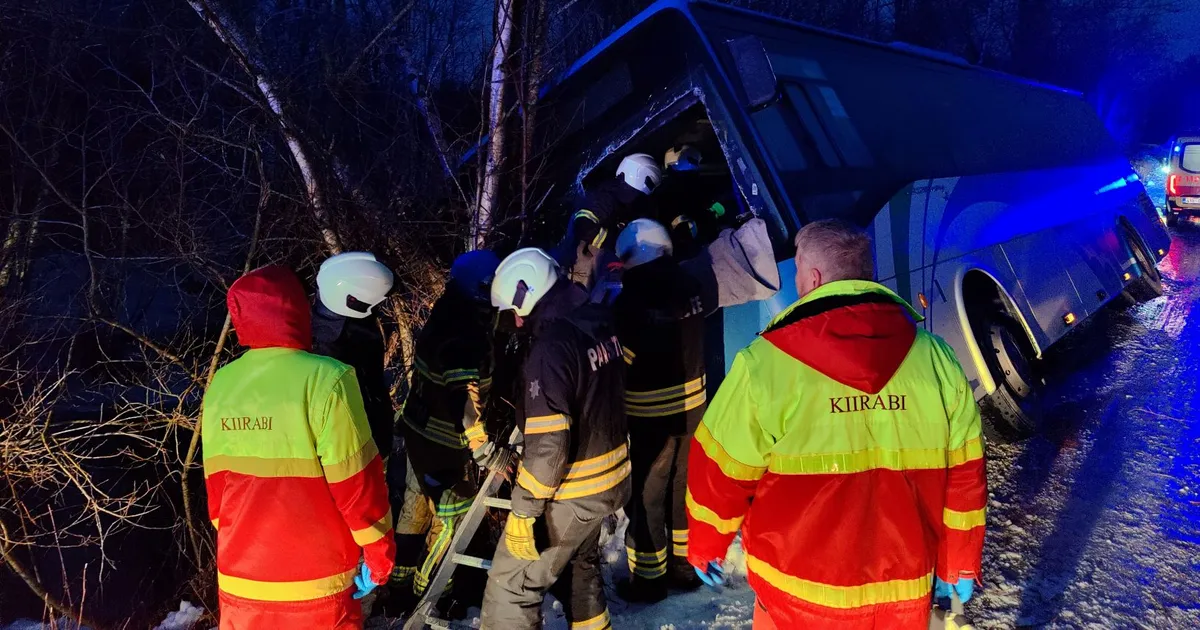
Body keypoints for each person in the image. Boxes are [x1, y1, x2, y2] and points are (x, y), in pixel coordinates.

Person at [686, 219, 987, 629]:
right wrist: (960, 561)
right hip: (903, 596)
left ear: (813, 278)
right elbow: (965, 476)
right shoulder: (937, 359)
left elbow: (719, 468)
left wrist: (707, 543)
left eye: (797, 271)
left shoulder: (765, 364)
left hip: (795, 598)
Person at [202, 265, 394, 630]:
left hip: (240, 584)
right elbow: (357, 484)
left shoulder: (222, 384)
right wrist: (379, 556)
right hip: (317, 586)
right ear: (298, 311)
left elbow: (217, 497)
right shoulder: (329, 377)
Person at [480, 248, 629, 630]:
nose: (516, 322)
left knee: (511, 587)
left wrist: (524, 511)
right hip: (609, 478)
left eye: (515, 312)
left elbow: (549, 446)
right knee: (581, 567)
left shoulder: (550, 349)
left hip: (574, 489)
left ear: (527, 297)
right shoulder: (596, 319)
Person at [390, 250, 501, 603]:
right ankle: (431, 595)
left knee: (415, 508)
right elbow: (465, 395)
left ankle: (398, 586)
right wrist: (483, 447)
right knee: (450, 521)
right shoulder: (464, 332)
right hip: (442, 446)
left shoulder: (448, 310)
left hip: (417, 432)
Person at [611, 219, 709, 602]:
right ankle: (685, 567)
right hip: (694, 410)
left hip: (652, 419)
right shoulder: (691, 284)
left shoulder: (631, 302)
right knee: (682, 491)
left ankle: (649, 581)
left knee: (647, 495)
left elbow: (622, 361)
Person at [312, 252, 396, 466]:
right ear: (353, 301)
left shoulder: (323, 329)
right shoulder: (336, 344)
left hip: (364, 447)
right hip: (359, 455)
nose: (377, 310)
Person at [553, 153, 662, 289]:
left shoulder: (625, 202)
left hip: (606, 270)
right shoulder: (605, 197)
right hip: (582, 271)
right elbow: (584, 226)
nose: (639, 198)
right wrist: (615, 242)